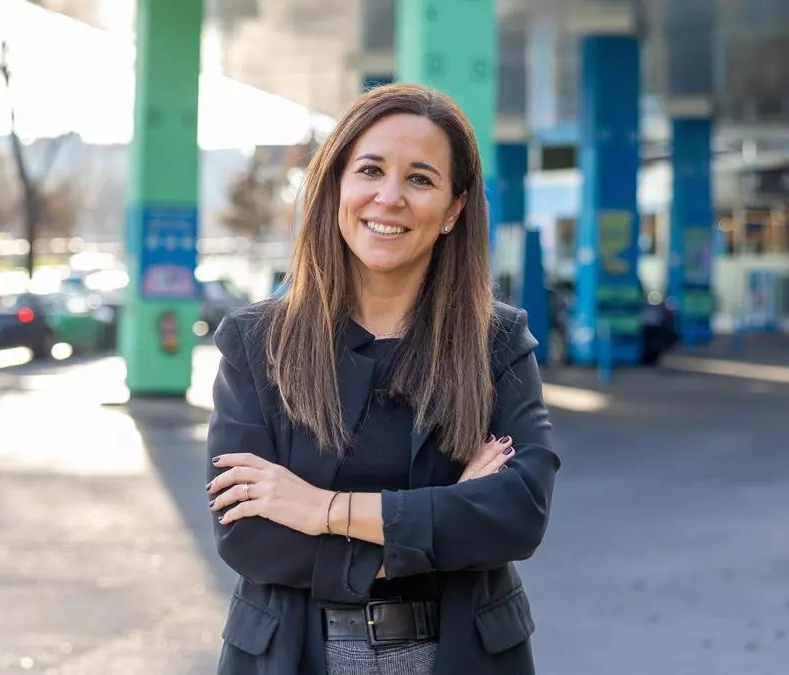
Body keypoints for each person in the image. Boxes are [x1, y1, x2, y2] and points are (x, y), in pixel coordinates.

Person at [205, 83, 560, 675]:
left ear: (454, 210)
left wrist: (322, 509)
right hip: (294, 656)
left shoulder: (496, 342)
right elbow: (249, 536)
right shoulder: (256, 343)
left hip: (461, 656)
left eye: (420, 178)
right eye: (370, 170)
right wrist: (444, 519)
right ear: (336, 187)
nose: (389, 197)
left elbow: (517, 513)